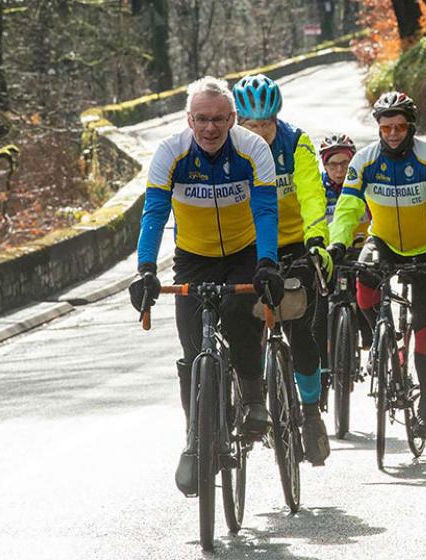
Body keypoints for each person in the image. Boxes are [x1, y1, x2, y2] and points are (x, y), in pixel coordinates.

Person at [128, 76, 284, 495]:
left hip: (244, 252)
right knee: (191, 348)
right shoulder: (170, 153)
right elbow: (154, 213)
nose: (210, 128)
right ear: (189, 119)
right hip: (193, 258)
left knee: (240, 318)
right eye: (201, 119)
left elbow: (267, 210)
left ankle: (253, 398)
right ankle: (196, 441)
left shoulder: (253, 150)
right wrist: (145, 268)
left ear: (233, 118)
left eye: (218, 119)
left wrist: (268, 263)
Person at [328, 91, 426, 438]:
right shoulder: (363, 161)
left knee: (424, 322)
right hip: (383, 242)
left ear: (410, 127)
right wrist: (338, 241)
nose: (392, 134)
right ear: (378, 128)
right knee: (363, 289)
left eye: (398, 127)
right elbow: (349, 206)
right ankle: (388, 340)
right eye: (385, 128)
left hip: (425, 246)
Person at [233, 73, 332, 466]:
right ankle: (250, 396)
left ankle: (310, 414)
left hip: (293, 242)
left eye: (266, 124)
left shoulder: (297, 143)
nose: (258, 133)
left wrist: (317, 242)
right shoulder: (231, 147)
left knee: (301, 328)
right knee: (242, 322)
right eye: (250, 125)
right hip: (249, 244)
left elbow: (312, 195)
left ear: (277, 119)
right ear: (239, 122)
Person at [318, 133, 373, 353]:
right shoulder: (319, 188)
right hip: (330, 253)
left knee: (363, 297)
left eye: (345, 163)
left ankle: (369, 335)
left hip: (360, 250)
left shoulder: (364, 186)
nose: (339, 170)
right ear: (325, 165)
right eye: (333, 164)